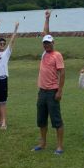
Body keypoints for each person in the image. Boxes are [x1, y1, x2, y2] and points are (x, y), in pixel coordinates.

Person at [32, 10, 65, 154]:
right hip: (42, 92)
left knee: (56, 119)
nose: (47, 45)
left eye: (49, 43)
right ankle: (43, 143)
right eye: (45, 43)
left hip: (52, 91)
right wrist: (47, 18)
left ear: (53, 43)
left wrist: (59, 90)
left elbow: (62, 73)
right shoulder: (44, 53)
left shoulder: (57, 55)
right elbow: (45, 32)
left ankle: (59, 146)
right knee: (41, 119)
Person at [0, 20, 19, 130]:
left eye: (3, 44)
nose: (2, 45)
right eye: (0, 44)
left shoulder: (6, 53)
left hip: (2, 79)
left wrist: (15, 29)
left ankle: (4, 122)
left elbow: (12, 41)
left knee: (2, 102)